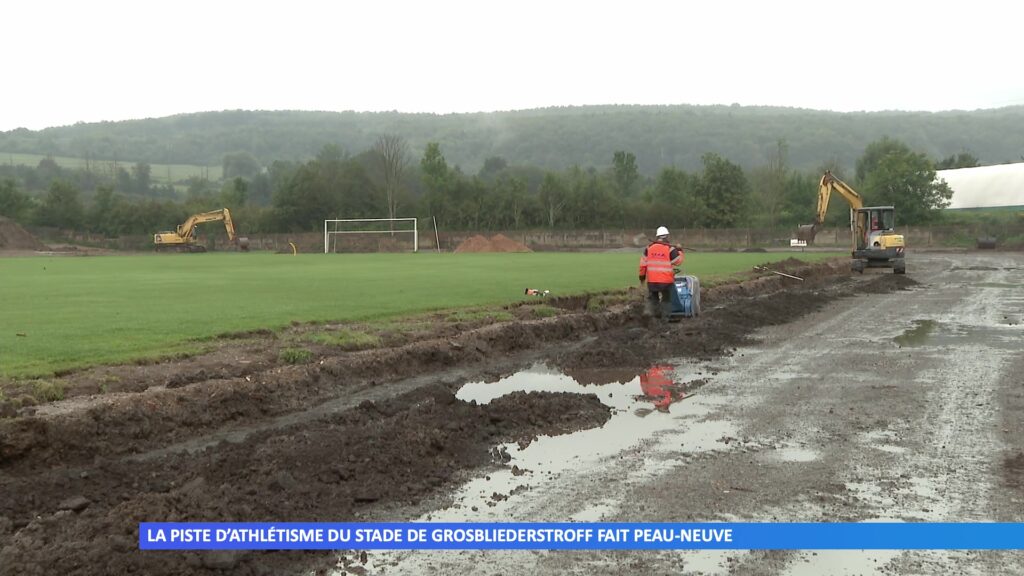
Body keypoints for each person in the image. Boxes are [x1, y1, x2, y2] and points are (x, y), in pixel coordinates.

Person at [638, 226, 683, 318]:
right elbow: (678, 262)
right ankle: (664, 319)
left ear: (657, 236)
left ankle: (651, 316)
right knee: (666, 299)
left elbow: (643, 264)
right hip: (666, 281)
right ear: (667, 236)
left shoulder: (648, 248)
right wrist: (680, 250)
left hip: (652, 281)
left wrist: (642, 277)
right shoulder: (670, 249)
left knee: (653, 299)